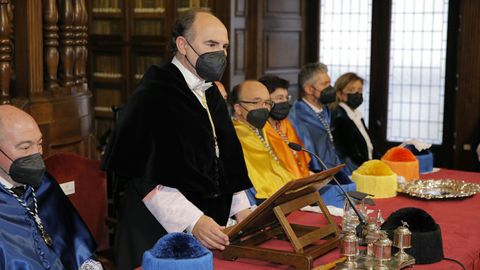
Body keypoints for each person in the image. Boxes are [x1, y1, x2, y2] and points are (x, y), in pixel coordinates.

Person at [101, 10, 252, 269]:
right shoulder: (154, 94)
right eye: (211, 44)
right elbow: (146, 178)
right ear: (183, 45)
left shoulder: (211, 91)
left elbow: (226, 162)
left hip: (212, 229)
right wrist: (195, 221)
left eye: (224, 47)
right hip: (158, 233)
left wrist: (245, 212)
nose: (221, 55)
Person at [0, 105, 101, 269]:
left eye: (39, 144)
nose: (36, 154)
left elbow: (78, 247)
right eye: (25, 147)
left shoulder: (45, 184)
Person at [229, 80, 296, 202]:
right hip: (259, 200)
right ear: (238, 108)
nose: (264, 108)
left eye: (267, 103)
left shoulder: (263, 129)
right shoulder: (234, 134)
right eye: (256, 102)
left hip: (282, 195)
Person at [288, 63, 348, 173]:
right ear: (309, 89)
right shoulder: (297, 116)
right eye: (325, 84)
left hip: (336, 169)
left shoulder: (326, 110)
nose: (330, 88)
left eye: (330, 83)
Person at [258, 75, 311, 178]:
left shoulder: (285, 123)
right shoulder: (260, 130)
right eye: (279, 98)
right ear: (265, 101)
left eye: (287, 98)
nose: (285, 102)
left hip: (303, 180)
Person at [331, 72, 378, 171]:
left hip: (367, 166)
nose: (357, 94)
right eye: (352, 90)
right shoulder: (340, 118)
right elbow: (350, 154)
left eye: (359, 90)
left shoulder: (356, 115)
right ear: (340, 94)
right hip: (356, 171)